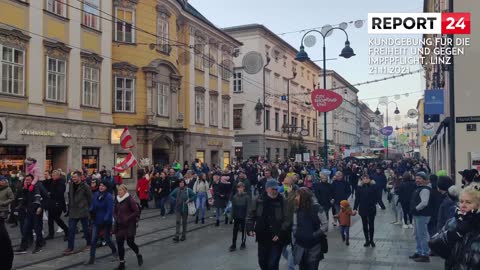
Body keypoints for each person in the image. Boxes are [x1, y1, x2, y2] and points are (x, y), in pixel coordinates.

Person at [429, 183, 480, 269]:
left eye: (468, 202)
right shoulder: (454, 221)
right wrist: (455, 233)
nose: (463, 205)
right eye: (461, 201)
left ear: (478, 205)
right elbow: (433, 244)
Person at [247, 179, 287, 270]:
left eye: (276, 189)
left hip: (276, 236)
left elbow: (287, 219)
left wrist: (280, 232)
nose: (275, 191)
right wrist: (249, 227)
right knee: (262, 261)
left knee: (273, 263)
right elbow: (251, 215)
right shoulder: (258, 199)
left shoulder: (282, 200)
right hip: (262, 235)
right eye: (273, 189)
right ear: (267, 189)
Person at [292, 187, 328, 270]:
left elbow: (325, 224)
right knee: (302, 267)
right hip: (300, 245)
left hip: (314, 245)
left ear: (303, 196)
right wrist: (296, 233)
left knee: (313, 267)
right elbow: (295, 224)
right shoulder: (297, 209)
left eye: (297, 196)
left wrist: (315, 234)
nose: (296, 198)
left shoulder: (317, 208)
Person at [86, 181, 117, 265]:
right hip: (96, 220)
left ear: (106, 187)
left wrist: (106, 219)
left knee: (107, 238)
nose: (101, 187)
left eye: (103, 185)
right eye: (100, 185)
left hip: (106, 221)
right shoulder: (96, 194)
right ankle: (91, 258)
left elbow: (109, 210)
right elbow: (93, 204)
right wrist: (90, 210)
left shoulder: (109, 196)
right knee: (93, 240)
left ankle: (114, 251)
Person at [113, 184, 142, 270]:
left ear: (125, 191)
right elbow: (114, 211)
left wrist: (127, 218)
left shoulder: (130, 199)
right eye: (118, 190)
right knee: (119, 243)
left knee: (130, 243)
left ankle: (138, 254)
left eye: (121, 190)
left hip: (129, 225)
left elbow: (136, 211)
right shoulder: (117, 199)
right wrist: (115, 217)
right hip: (120, 225)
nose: (119, 192)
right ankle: (122, 263)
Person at [14, 174, 45, 254]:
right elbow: (24, 200)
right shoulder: (26, 188)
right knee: (25, 229)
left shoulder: (38, 186)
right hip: (29, 212)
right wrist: (20, 206)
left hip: (37, 211)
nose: (27, 181)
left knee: (37, 229)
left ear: (32, 180)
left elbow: (46, 198)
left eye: (28, 180)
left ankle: (39, 245)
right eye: (26, 180)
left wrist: (41, 207)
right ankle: (23, 246)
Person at [64, 171, 92, 256]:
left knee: (86, 229)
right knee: (71, 230)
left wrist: (90, 211)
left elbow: (90, 198)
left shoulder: (85, 186)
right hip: (73, 211)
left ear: (80, 177)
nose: (73, 178)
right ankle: (70, 247)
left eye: (75, 177)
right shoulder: (71, 185)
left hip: (83, 211)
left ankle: (89, 243)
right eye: (73, 177)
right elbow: (70, 196)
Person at [409, 172, 433, 263]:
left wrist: (416, 209)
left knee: (422, 235)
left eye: (419, 178)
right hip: (418, 214)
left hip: (422, 214)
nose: (417, 180)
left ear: (424, 180)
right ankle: (419, 251)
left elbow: (424, 202)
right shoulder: (419, 188)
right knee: (417, 234)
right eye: (416, 178)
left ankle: (425, 254)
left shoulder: (425, 190)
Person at [354, 174, 379, 247]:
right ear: (361, 180)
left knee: (371, 225)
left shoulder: (373, 187)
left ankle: (371, 240)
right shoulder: (359, 188)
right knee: (364, 225)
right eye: (363, 178)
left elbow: (377, 196)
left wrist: (374, 185)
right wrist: (355, 208)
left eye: (367, 178)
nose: (365, 180)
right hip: (363, 208)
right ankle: (367, 240)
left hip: (371, 208)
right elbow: (357, 199)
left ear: (369, 179)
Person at [45, 170, 68, 241]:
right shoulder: (51, 181)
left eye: (54, 175)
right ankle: (51, 234)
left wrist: (50, 193)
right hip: (51, 204)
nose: (53, 176)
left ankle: (67, 230)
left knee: (57, 219)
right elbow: (46, 186)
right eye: (52, 175)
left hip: (58, 204)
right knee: (50, 220)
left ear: (58, 175)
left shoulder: (61, 182)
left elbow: (60, 193)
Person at [229, 182, 250, 252]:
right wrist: (231, 217)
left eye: (241, 187)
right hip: (236, 216)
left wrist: (247, 216)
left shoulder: (247, 197)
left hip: (243, 216)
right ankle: (233, 244)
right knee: (235, 231)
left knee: (244, 230)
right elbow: (233, 208)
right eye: (239, 187)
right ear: (237, 188)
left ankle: (243, 243)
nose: (240, 189)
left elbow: (248, 208)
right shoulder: (235, 197)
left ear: (243, 188)